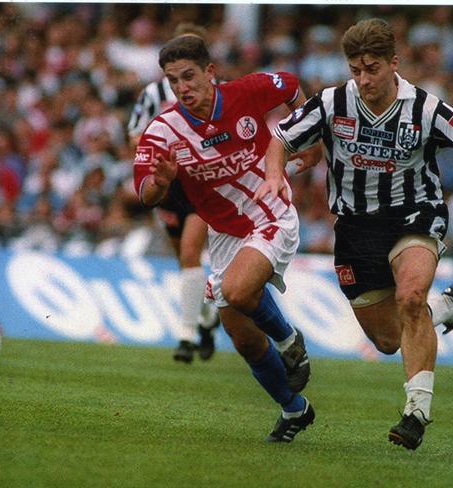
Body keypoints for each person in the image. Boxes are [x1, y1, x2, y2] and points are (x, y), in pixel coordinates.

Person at [258, 18, 453, 450]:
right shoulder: (331, 102)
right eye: (356, 70)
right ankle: (450, 308)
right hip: (355, 227)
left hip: (414, 214)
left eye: (372, 69)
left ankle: (416, 413)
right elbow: (280, 139)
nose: (363, 80)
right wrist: (272, 177)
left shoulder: (425, 108)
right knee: (387, 339)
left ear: (393, 64)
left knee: (410, 298)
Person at [133, 35, 319, 442]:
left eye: (189, 76)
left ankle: (290, 341)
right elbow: (144, 192)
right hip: (225, 234)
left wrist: (309, 142)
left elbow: (289, 85)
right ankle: (294, 409)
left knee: (236, 291)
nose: (183, 87)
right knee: (243, 337)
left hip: (270, 211)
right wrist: (159, 184)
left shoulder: (246, 92)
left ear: (210, 72)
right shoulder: (164, 130)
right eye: (173, 80)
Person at [128, 24, 220, 364]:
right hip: (166, 186)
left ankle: (185, 336)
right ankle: (208, 317)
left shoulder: (217, 92)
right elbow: (135, 136)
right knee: (182, 258)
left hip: (200, 184)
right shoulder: (152, 94)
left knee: (190, 250)